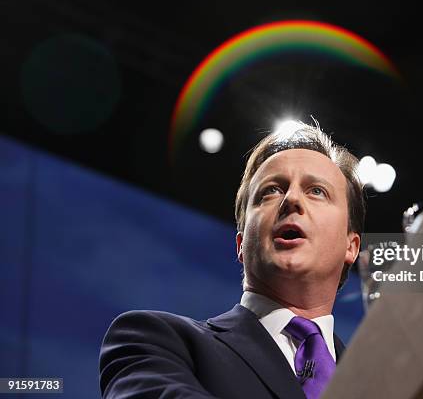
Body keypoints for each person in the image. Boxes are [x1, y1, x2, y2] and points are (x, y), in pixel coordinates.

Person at [99, 122, 365, 398]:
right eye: (271, 191)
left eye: (317, 191)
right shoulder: (154, 342)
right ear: (240, 244)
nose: (291, 199)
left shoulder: (385, 386)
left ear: (351, 246)